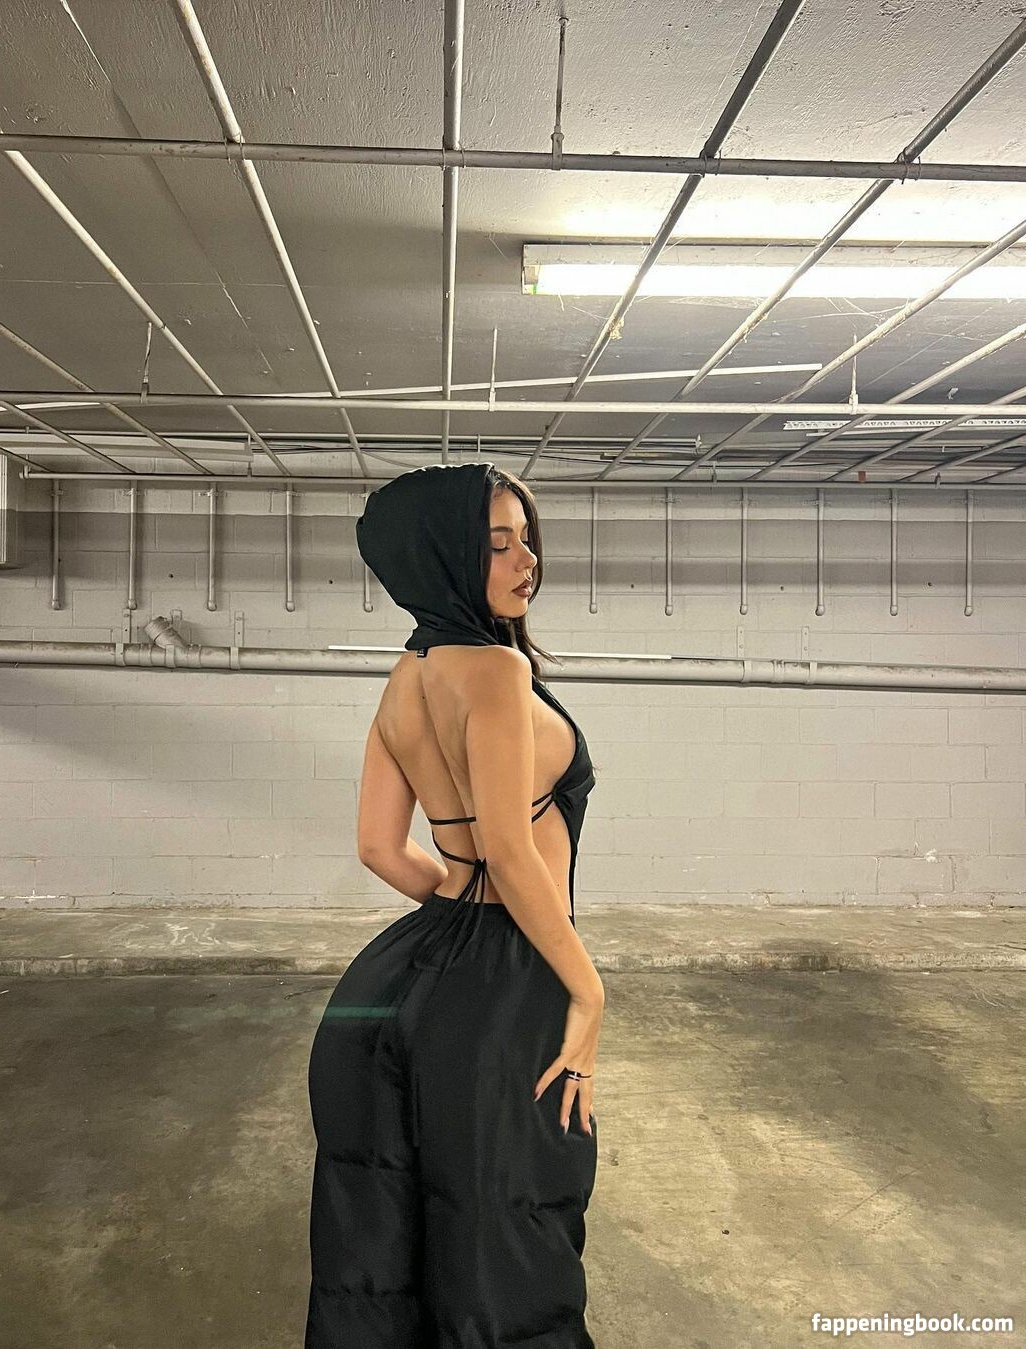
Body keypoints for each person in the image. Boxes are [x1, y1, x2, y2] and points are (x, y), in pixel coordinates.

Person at [304, 461, 603, 1348]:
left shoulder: (406, 677)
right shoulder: (498, 672)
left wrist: (456, 905)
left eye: (526, 539)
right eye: (497, 544)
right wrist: (588, 989)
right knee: (507, 1236)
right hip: (509, 980)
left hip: (403, 975)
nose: (526, 561)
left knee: (393, 1237)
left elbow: (378, 845)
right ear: (443, 557)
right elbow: (510, 849)